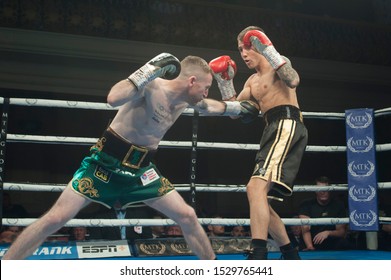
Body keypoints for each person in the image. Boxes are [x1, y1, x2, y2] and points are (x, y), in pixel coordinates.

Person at [3, 53, 259, 260]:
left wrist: (238, 107)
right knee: (56, 218)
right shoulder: (152, 87)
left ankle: (212, 270)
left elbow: (215, 107)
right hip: (104, 163)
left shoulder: (187, 102)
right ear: (192, 81)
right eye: (205, 87)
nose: (206, 93)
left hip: (141, 171)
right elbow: (113, 97)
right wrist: (147, 70)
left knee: (188, 216)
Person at [209, 26, 308, 259]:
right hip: (271, 129)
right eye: (240, 49)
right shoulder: (252, 82)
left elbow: (293, 80)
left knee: (254, 188)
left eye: (247, 47)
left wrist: (269, 49)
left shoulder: (278, 63)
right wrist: (224, 82)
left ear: (261, 45)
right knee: (259, 197)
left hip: (287, 123)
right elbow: (237, 113)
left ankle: (258, 251)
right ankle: (290, 252)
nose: (243, 54)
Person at [298, 176, 350, 251]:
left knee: (344, 244)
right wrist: (310, 247)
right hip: (310, 243)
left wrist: (328, 233)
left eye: (325, 189)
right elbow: (305, 228)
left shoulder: (338, 205)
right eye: (320, 189)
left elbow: (341, 232)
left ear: (330, 190)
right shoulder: (306, 204)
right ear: (315, 190)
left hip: (332, 245)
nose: (323, 192)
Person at [89, 204, 153, 241]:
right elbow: (95, 238)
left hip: (135, 252)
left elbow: (148, 237)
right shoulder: (101, 215)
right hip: (111, 252)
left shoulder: (140, 214)